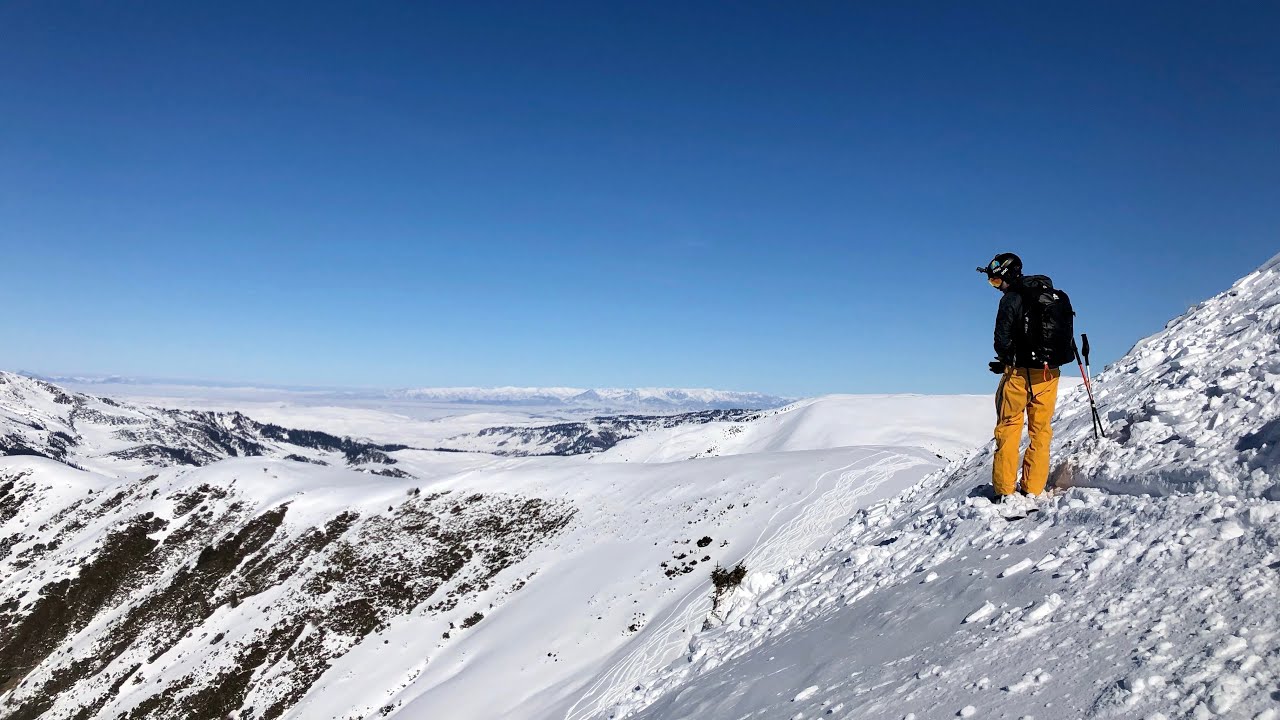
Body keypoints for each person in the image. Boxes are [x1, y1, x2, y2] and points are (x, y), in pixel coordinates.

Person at [977, 253, 1061, 503]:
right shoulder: (1049, 295)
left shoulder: (1011, 299)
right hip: (1049, 373)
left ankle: (1004, 489)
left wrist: (1005, 361)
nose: (996, 287)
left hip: (1019, 374)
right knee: (1041, 430)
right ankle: (1033, 487)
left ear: (1008, 275)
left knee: (1009, 427)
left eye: (995, 281)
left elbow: (1001, 340)